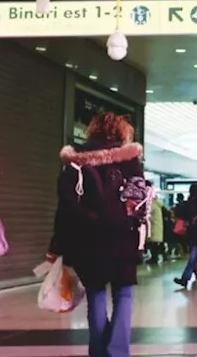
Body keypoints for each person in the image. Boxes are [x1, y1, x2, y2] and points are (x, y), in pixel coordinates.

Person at [48, 112, 145, 357]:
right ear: (122, 132)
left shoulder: (75, 162)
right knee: (124, 294)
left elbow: (65, 209)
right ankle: (118, 351)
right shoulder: (130, 161)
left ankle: (99, 352)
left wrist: (56, 246)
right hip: (123, 237)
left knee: (96, 294)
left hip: (87, 240)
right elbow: (139, 204)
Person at [147, 194, 165, 265]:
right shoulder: (157, 204)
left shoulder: (153, 204)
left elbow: (148, 212)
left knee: (153, 243)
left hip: (153, 226)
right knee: (155, 243)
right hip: (156, 226)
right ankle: (156, 257)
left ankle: (154, 258)